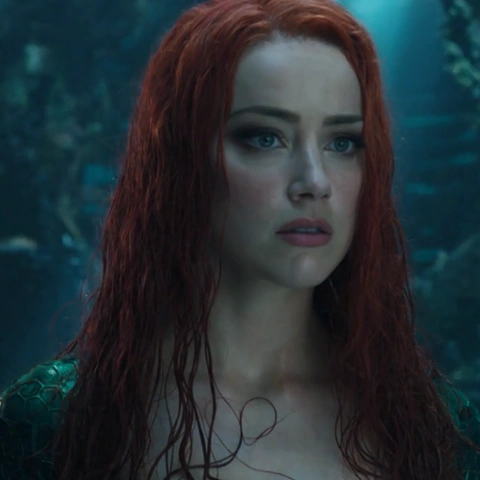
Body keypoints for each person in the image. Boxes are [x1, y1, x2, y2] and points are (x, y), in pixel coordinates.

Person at [1, 0, 480, 478]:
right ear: (182, 157)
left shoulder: (431, 425)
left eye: (343, 142)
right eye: (265, 137)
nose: (315, 182)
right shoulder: (55, 420)